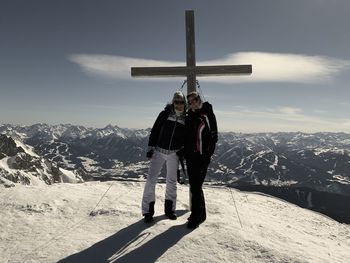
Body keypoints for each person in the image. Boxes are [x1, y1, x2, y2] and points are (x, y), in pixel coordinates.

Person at [141, 91, 186, 223]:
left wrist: (183, 149)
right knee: (151, 180)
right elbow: (155, 130)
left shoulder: (185, 118)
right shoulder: (165, 114)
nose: (179, 105)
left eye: (181, 102)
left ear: (184, 104)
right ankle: (148, 211)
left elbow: (186, 137)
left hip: (174, 153)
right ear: (173, 102)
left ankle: (170, 210)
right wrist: (151, 147)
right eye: (177, 102)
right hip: (159, 151)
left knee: (171, 181)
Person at [184, 91, 218, 229]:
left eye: (195, 99)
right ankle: (200, 214)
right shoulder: (190, 116)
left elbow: (213, 137)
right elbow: (188, 136)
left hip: (202, 157)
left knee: (197, 186)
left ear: (199, 99)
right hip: (191, 156)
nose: (193, 102)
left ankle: (196, 216)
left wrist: (207, 156)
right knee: (194, 186)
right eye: (190, 101)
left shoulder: (207, 114)